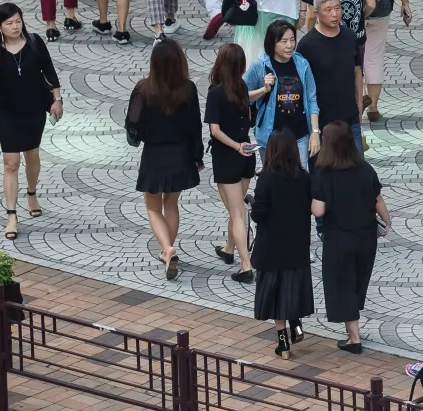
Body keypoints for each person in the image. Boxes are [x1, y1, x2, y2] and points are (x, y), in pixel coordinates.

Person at [0, 2, 65, 241]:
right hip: (7, 113)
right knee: (11, 163)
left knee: (32, 155)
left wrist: (57, 100)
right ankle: (11, 214)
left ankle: (32, 193)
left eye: (18, 21)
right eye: (9, 23)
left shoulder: (34, 44)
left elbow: (49, 72)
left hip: (33, 110)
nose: (14, 26)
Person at [126, 36, 201, 281]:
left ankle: (168, 249)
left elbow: (132, 125)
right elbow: (195, 126)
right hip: (180, 154)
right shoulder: (188, 88)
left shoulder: (143, 88)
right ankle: (167, 250)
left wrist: (140, 136)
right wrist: (197, 157)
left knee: (152, 207)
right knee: (171, 204)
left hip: (155, 154)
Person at [310, 121, 388, 353]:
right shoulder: (365, 169)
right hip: (366, 237)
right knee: (355, 284)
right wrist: (386, 222)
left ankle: (354, 339)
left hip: (339, 240)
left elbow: (318, 211)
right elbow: (378, 200)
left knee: (341, 285)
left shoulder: (323, 174)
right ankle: (351, 331)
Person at [251, 128, 315, 359]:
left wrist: (252, 208)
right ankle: (296, 326)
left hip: (271, 248)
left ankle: (283, 343)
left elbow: (259, 214)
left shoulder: (266, 178)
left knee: (275, 296)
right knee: (292, 291)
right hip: (297, 245)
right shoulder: (304, 177)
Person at [205, 42, 257, 283]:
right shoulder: (242, 87)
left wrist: (234, 146)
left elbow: (214, 131)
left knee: (237, 212)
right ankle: (228, 249)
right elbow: (249, 118)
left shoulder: (215, 92)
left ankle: (246, 265)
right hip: (247, 154)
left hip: (227, 157)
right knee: (236, 209)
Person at [245, 19, 319, 168]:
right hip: (270, 137)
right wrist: (263, 90)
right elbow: (242, 96)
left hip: (300, 136)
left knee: (301, 181)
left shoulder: (302, 64)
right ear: (272, 43)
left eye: (292, 40)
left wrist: (315, 132)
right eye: (283, 41)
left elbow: (311, 99)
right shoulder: (259, 66)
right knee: (273, 183)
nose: (290, 45)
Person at [297, 0, 363, 149]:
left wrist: (359, 105)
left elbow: (357, 71)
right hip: (322, 123)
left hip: (350, 119)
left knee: (358, 168)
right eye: (328, 10)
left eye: (338, 8)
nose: (335, 14)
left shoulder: (350, 37)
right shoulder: (306, 45)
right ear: (316, 13)